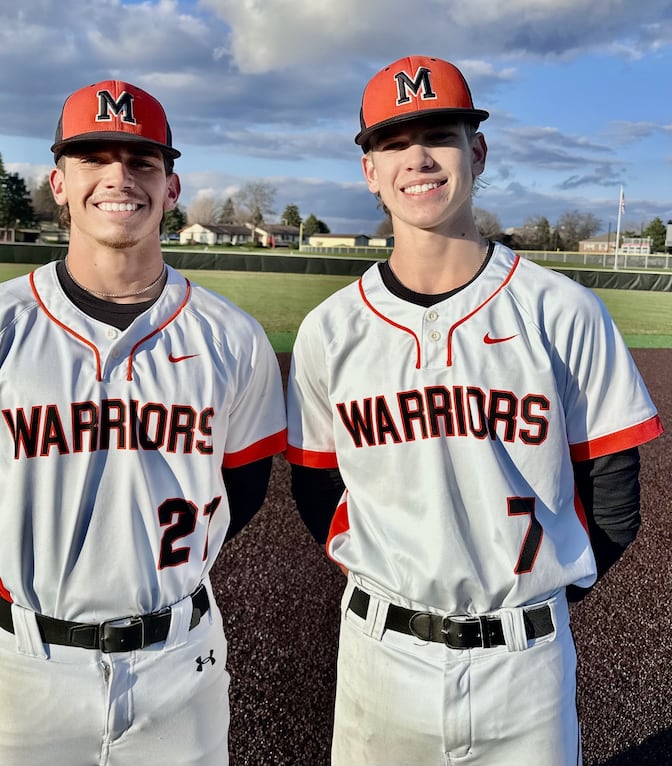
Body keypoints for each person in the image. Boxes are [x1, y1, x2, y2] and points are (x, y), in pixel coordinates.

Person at [0, 79, 287, 766]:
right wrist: (43, 584)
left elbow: (243, 488)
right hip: (26, 669)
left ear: (171, 187)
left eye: (141, 161)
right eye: (94, 158)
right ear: (59, 184)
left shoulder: (233, 336)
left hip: (180, 664)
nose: (118, 177)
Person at [285, 55, 663, 766]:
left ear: (477, 152)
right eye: (394, 143)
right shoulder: (330, 330)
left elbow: (614, 498)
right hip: (379, 658)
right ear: (369, 171)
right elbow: (316, 487)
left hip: (527, 665)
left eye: (439, 136)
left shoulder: (563, 310)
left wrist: (534, 603)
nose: (417, 159)